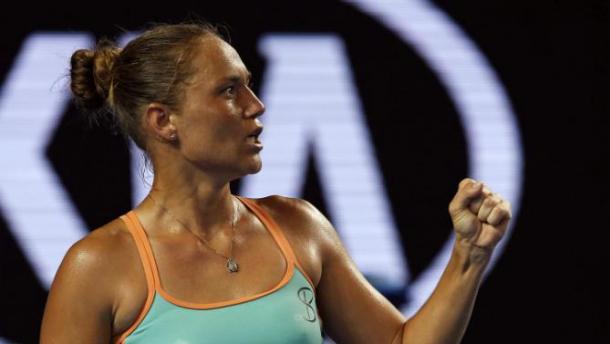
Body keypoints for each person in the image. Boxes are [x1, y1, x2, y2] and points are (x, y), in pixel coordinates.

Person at [40, 22, 512, 344]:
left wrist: (469, 257)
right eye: (228, 90)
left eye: (248, 84)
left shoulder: (299, 227)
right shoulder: (96, 267)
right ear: (164, 121)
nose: (256, 105)